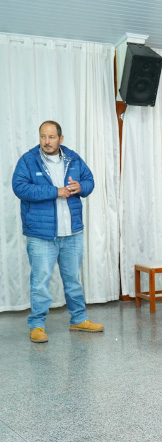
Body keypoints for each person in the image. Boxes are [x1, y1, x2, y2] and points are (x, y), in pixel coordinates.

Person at [12, 120, 105, 343]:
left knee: (73, 279)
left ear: (60, 139)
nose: (47, 141)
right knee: (40, 281)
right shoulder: (28, 160)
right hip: (41, 235)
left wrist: (81, 187)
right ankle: (36, 325)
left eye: (52, 137)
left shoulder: (73, 158)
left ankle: (79, 319)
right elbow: (20, 188)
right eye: (43, 136)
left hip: (72, 233)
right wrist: (56, 191)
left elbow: (89, 181)